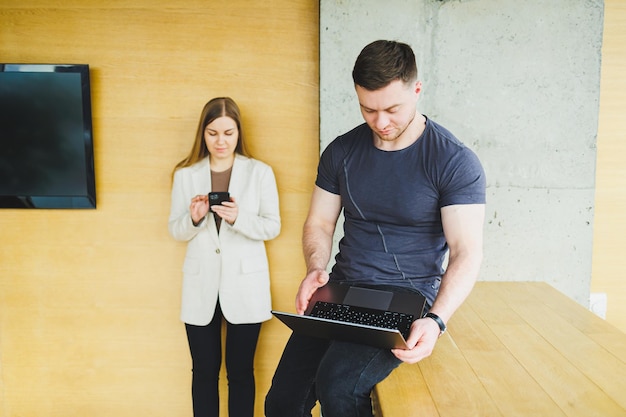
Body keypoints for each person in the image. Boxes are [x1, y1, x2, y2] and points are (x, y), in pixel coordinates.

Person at [264, 40, 486, 417]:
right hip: (341, 290)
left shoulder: (454, 160)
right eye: (368, 109)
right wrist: (315, 269)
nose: (381, 122)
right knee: (282, 402)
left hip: (407, 297)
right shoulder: (341, 152)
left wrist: (435, 321)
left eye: (392, 109)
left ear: (416, 90)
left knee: (340, 386)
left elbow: (466, 250)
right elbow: (319, 222)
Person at [168, 97, 281, 417]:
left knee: (241, 374)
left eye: (228, 133)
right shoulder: (186, 175)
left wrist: (237, 218)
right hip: (200, 284)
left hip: (245, 285)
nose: (220, 141)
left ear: (238, 132)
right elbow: (176, 231)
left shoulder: (260, 172)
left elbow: (272, 226)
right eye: (213, 133)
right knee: (203, 373)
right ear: (202, 133)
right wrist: (194, 218)